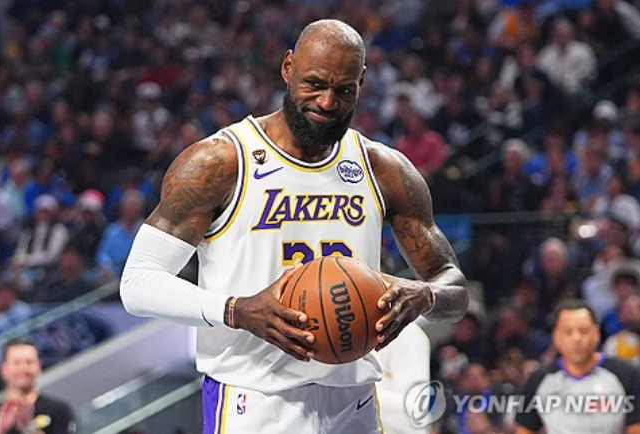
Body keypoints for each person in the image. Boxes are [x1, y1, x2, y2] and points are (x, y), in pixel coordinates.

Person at [120, 19, 468, 434]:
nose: (327, 102)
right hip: (255, 398)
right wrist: (235, 310)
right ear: (288, 67)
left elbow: (454, 287)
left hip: (354, 399)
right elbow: (137, 283)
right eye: (314, 84)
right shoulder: (221, 161)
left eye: (344, 90)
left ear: (362, 82)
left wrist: (424, 295)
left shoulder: (384, 169)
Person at [514, 299, 640, 434]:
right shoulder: (539, 379)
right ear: (556, 337)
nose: (576, 339)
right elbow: (524, 428)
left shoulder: (627, 375)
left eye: (583, 331)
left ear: (596, 333)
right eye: (568, 332)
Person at [0, 339, 77, 434]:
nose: (23, 368)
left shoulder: (59, 411)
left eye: (29, 362)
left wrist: (28, 427)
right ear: (3, 369)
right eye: (16, 363)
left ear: (39, 367)